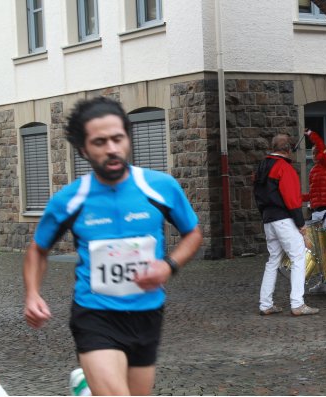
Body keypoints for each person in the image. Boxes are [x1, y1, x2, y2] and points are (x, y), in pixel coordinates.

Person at [23, 96, 203, 395]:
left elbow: (193, 233)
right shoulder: (70, 199)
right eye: (100, 142)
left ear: (128, 139)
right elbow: (37, 250)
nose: (112, 149)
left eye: (118, 139)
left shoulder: (160, 187)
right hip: (95, 314)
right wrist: (32, 294)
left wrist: (169, 266)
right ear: (84, 149)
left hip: (147, 313)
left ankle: (86, 389)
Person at [254, 134, 319, 316]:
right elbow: (291, 200)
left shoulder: (261, 167)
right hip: (283, 218)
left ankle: (265, 304)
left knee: (273, 260)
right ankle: (297, 303)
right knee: (298, 257)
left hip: (268, 218)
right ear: (288, 150)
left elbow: (258, 195)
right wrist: (301, 226)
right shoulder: (284, 168)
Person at [301, 129, 326, 228]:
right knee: (314, 242)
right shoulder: (312, 171)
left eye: (316, 152)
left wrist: (311, 134)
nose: (314, 155)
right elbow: (312, 194)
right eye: (312, 153)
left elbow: (320, 144)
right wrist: (298, 197)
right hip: (315, 211)